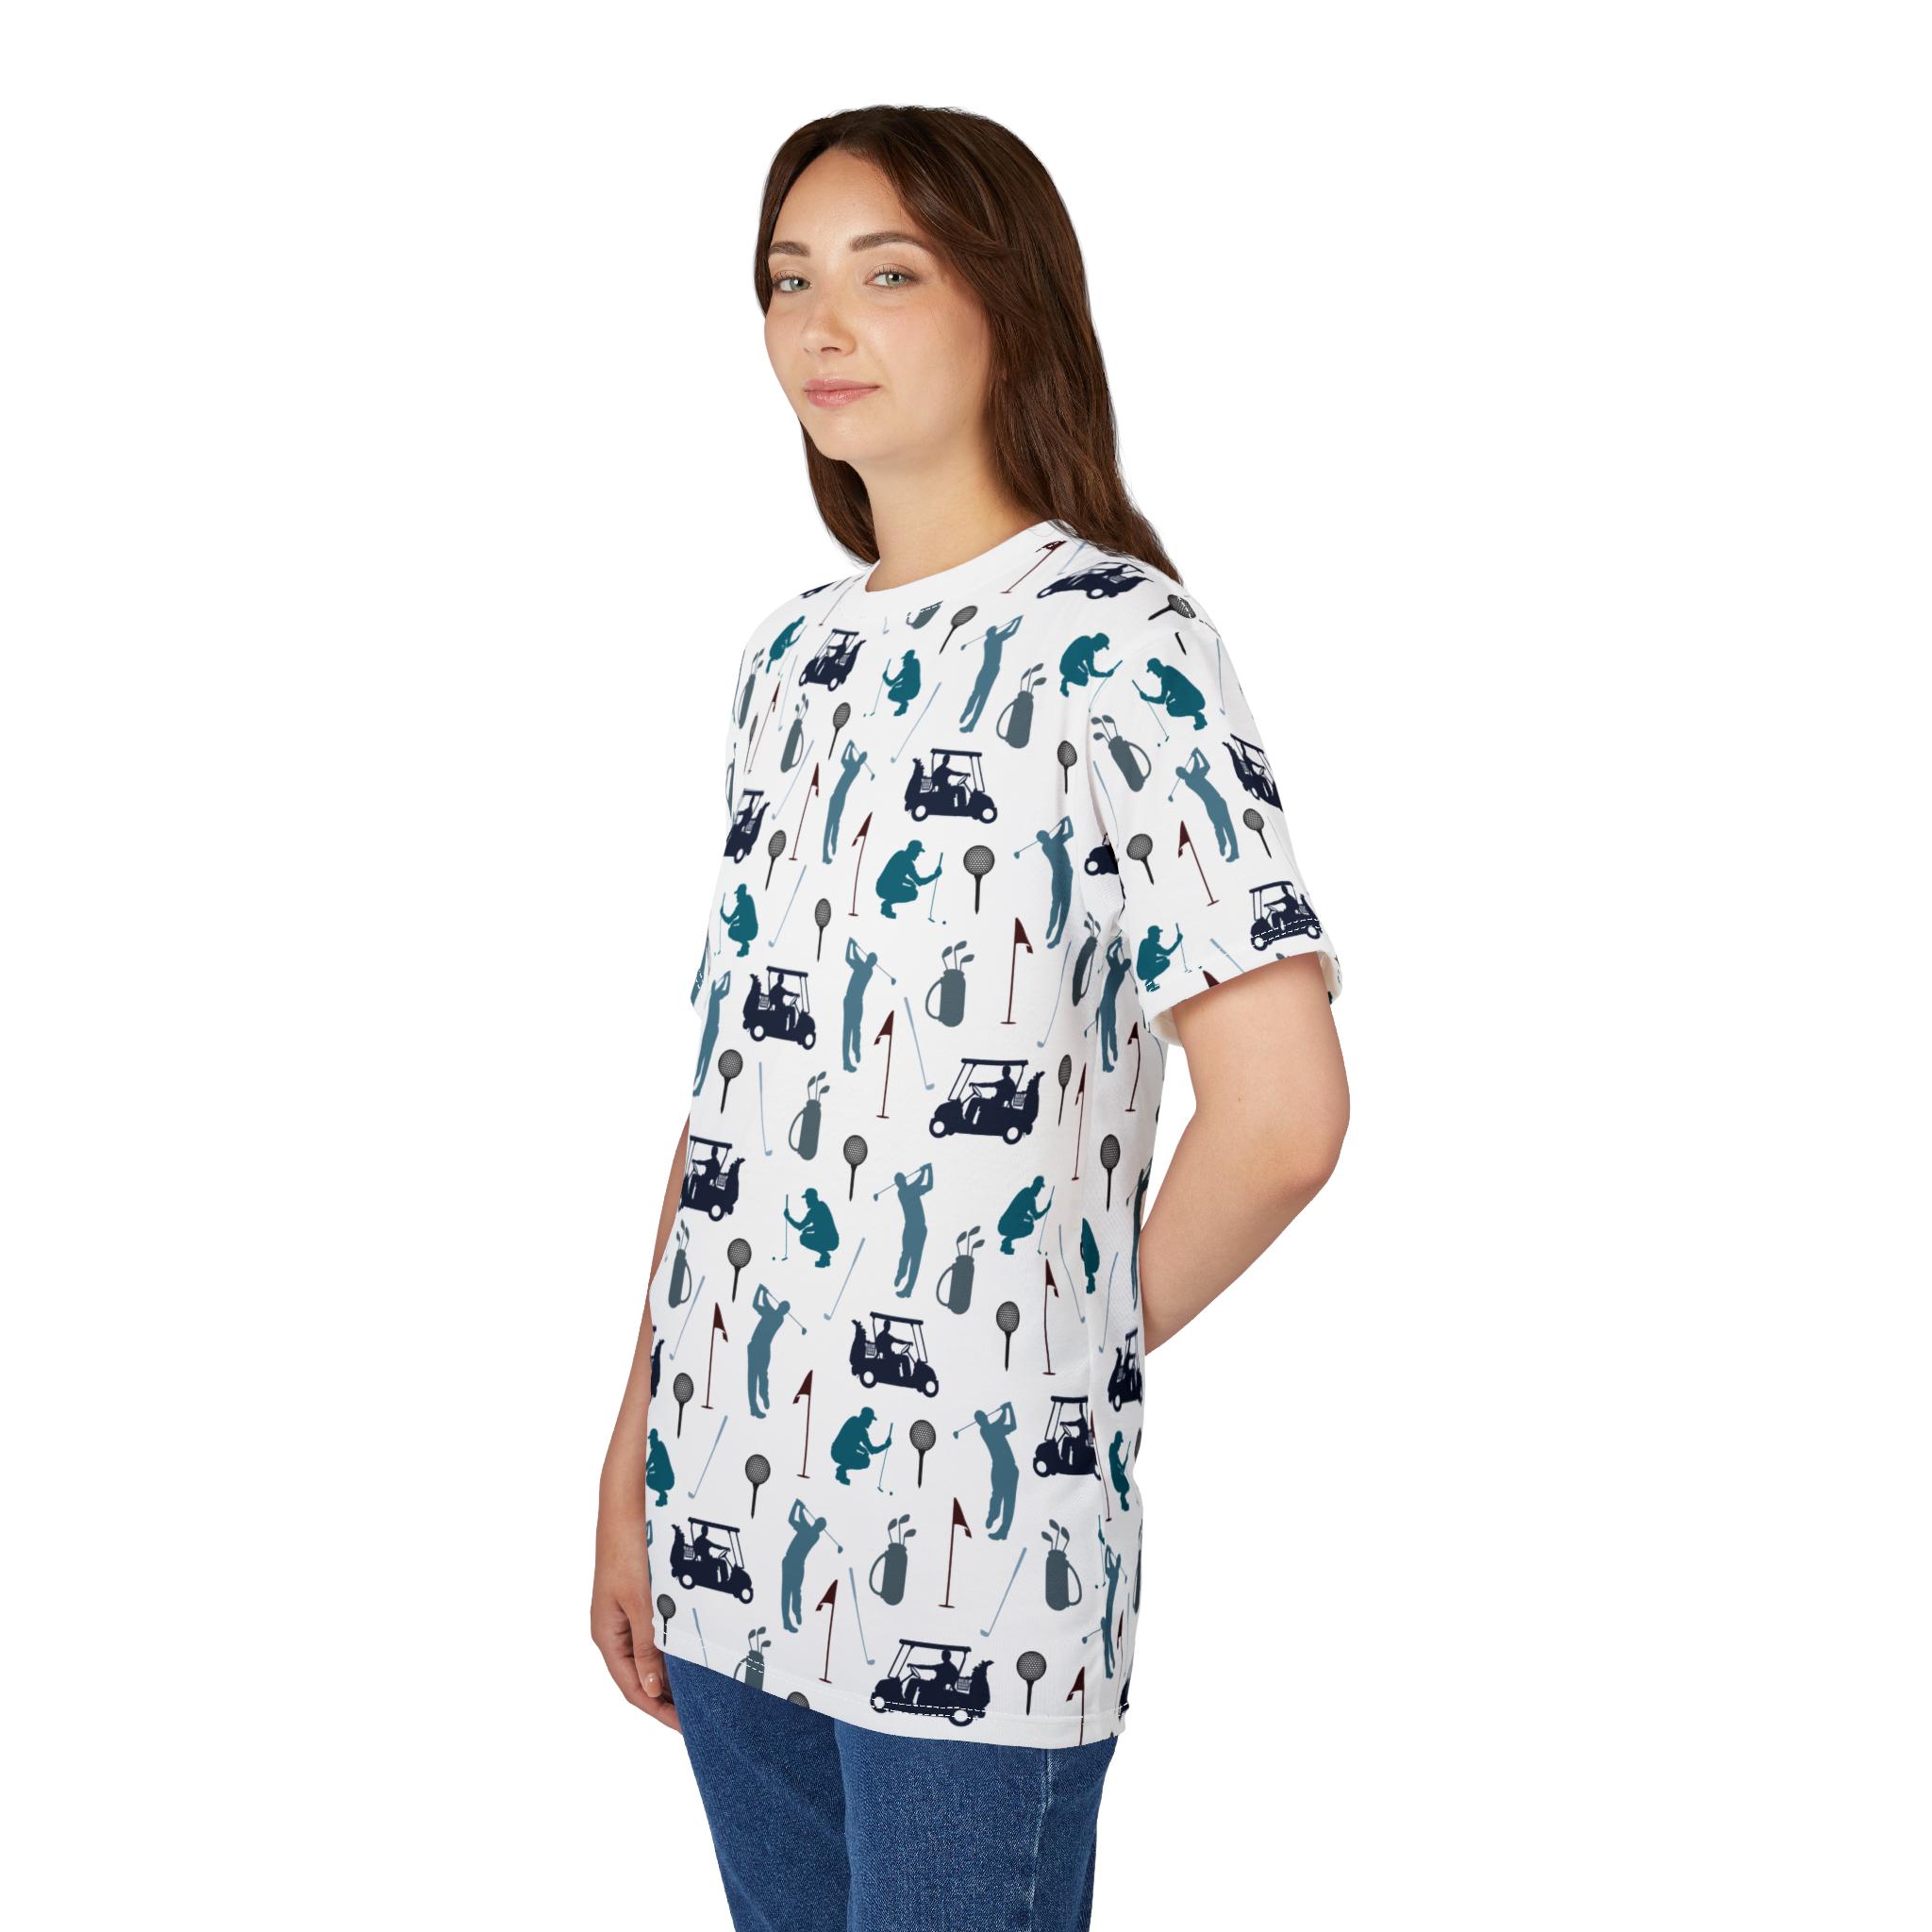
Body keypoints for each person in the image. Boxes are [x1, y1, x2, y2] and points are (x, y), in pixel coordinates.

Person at [592, 106, 1349, 1932]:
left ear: (1011, 304)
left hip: (971, 1566)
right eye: (787, 281)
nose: (820, 326)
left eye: (887, 273)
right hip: (727, 1506)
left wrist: (1048, 1365)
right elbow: (740, 1089)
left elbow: (1281, 1118)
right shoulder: (790, 662)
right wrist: (633, 1445)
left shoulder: (1121, 647)